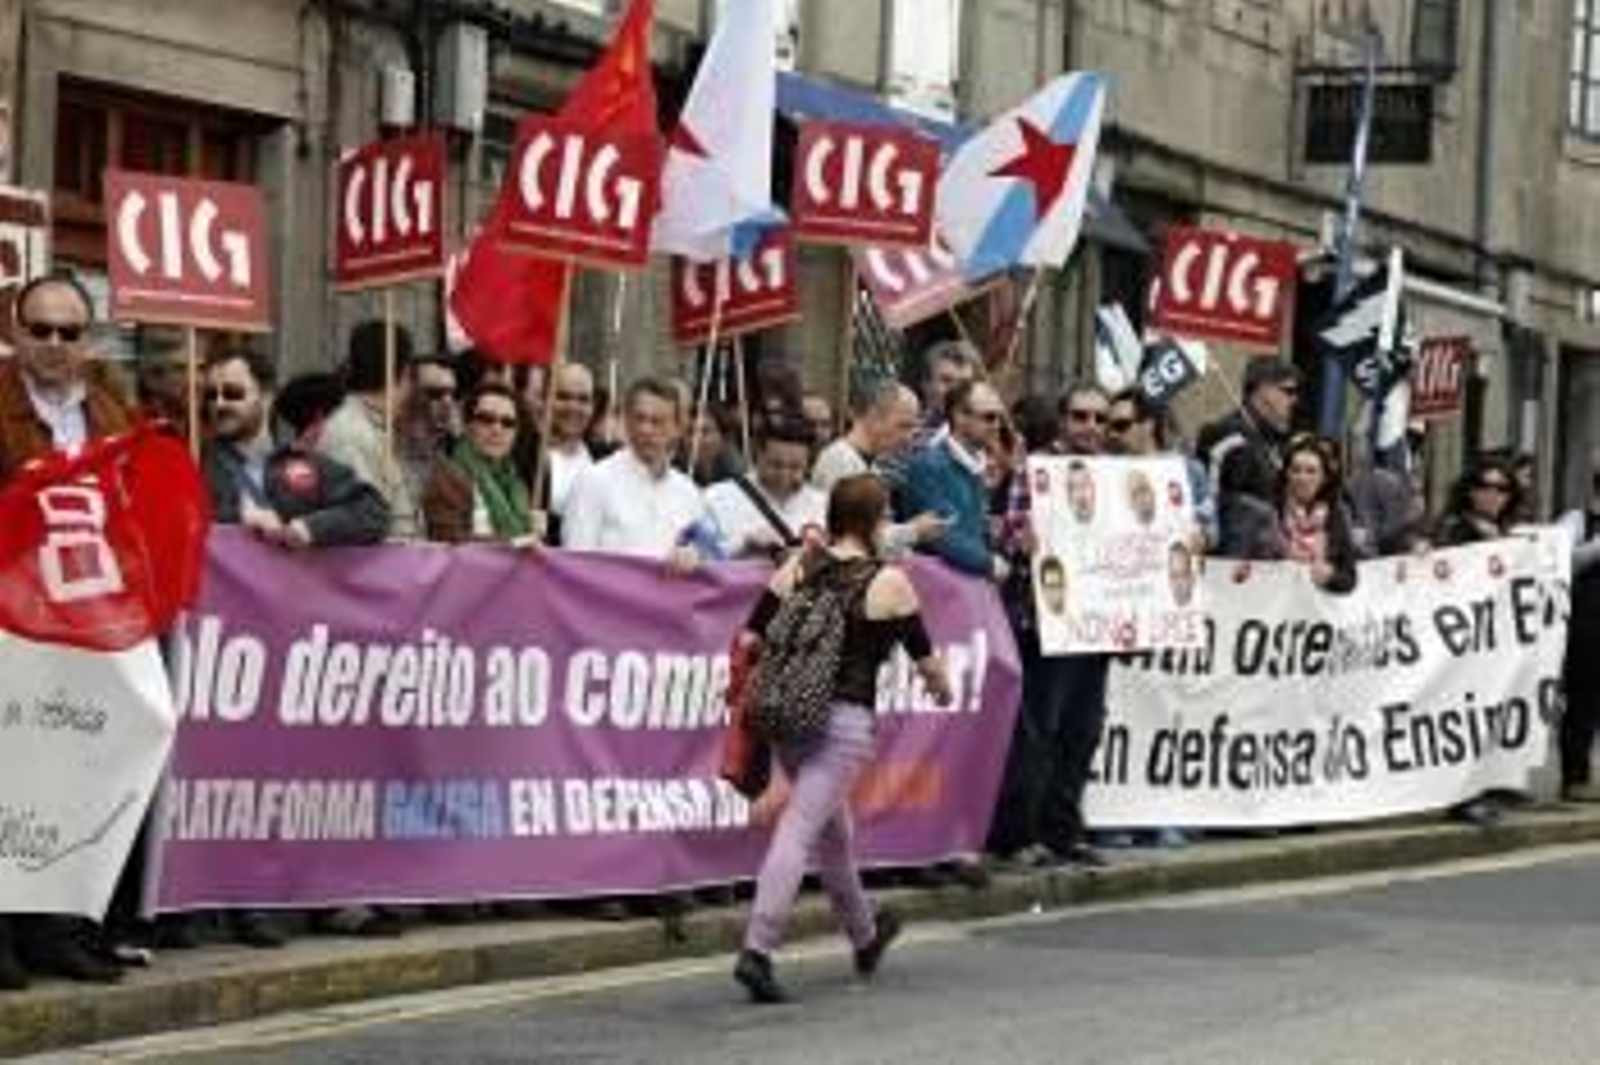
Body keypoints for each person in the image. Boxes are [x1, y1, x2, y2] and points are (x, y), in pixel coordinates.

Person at [733, 474, 953, 1004]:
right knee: (801, 828)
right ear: (877, 523)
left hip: (788, 719)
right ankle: (757, 950)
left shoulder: (796, 566)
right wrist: (941, 689)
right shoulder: (890, 583)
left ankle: (866, 938)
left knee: (835, 836)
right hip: (843, 725)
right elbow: (928, 663)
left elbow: (749, 637)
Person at [0, 272, 133, 988]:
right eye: (40, 329)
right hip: (11, 615)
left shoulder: (111, 409)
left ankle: (57, 929)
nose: (54, 344)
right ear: (15, 331)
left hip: (89, 620)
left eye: (69, 331)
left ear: (89, 340)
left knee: (71, 779)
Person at [1433, 452, 1523, 826]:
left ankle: (1490, 785)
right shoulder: (1455, 528)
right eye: (1486, 487)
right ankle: (1462, 796)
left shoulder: (1510, 534)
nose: (1493, 495)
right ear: (1470, 491)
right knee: (1462, 717)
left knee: (1490, 716)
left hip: (1497, 644)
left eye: (1502, 489)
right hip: (1462, 641)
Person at [563, 376, 711, 566]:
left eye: (657, 421)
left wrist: (696, 555)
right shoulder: (594, 480)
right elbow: (574, 563)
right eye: (639, 418)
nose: (645, 429)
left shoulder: (689, 493)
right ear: (626, 421)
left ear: (677, 428)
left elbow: (707, 558)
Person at [316, 320, 426, 540]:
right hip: (373, 569)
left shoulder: (373, 425)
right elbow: (360, 519)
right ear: (403, 373)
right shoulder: (349, 432)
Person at [894, 380, 1010, 581]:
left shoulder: (977, 466)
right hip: (935, 588)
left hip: (967, 585)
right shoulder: (929, 464)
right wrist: (988, 562)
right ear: (960, 416)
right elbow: (942, 533)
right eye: (989, 417)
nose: (997, 425)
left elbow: (974, 530)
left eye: (1000, 417)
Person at [422, 382, 535, 544]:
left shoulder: (517, 484)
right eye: (486, 419)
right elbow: (448, 543)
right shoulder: (447, 478)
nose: (497, 429)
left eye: (508, 423)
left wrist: (535, 531)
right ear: (468, 425)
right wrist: (514, 544)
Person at [704, 417, 825, 559]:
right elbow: (701, 555)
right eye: (775, 465)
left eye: (795, 467)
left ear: (809, 464)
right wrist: (743, 546)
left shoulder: (823, 503)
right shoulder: (717, 498)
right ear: (758, 455)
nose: (784, 474)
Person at [1560, 458, 1600, 800]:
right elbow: (1559, 561)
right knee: (1583, 703)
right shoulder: (1577, 520)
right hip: (1587, 626)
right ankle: (1575, 777)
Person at [1196, 358, 1300, 489]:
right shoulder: (1227, 433)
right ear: (1263, 390)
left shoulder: (1275, 439)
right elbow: (1213, 497)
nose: (1294, 400)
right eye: (1288, 391)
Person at [1276, 435, 1358, 593]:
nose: (1302, 478)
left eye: (1311, 471)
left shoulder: (1336, 515)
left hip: (1315, 613)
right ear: (1286, 474)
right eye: (1296, 470)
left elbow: (1349, 577)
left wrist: (1331, 576)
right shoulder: (1271, 512)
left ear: (1324, 478)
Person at [544, 363, 603, 542]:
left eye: (583, 399)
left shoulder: (604, 458)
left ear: (593, 406)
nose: (573, 407)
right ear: (546, 399)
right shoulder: (527, 457)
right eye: (563, 396)